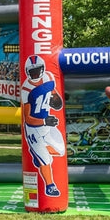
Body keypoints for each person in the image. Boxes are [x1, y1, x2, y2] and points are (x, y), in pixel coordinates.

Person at [21, 55, 65, 197]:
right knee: (46, 161)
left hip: (47, 124)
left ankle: (38, 153)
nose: (34, 75)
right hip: (34, 129)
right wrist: (45, 121)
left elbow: (53, 94)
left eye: (37, 71)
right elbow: (27, 118)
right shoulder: (26, 89)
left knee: (61, 151)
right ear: (27, 72)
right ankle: (50, 186)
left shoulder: (49, 77)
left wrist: (56, 99)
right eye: (31, 72)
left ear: (42, 69)